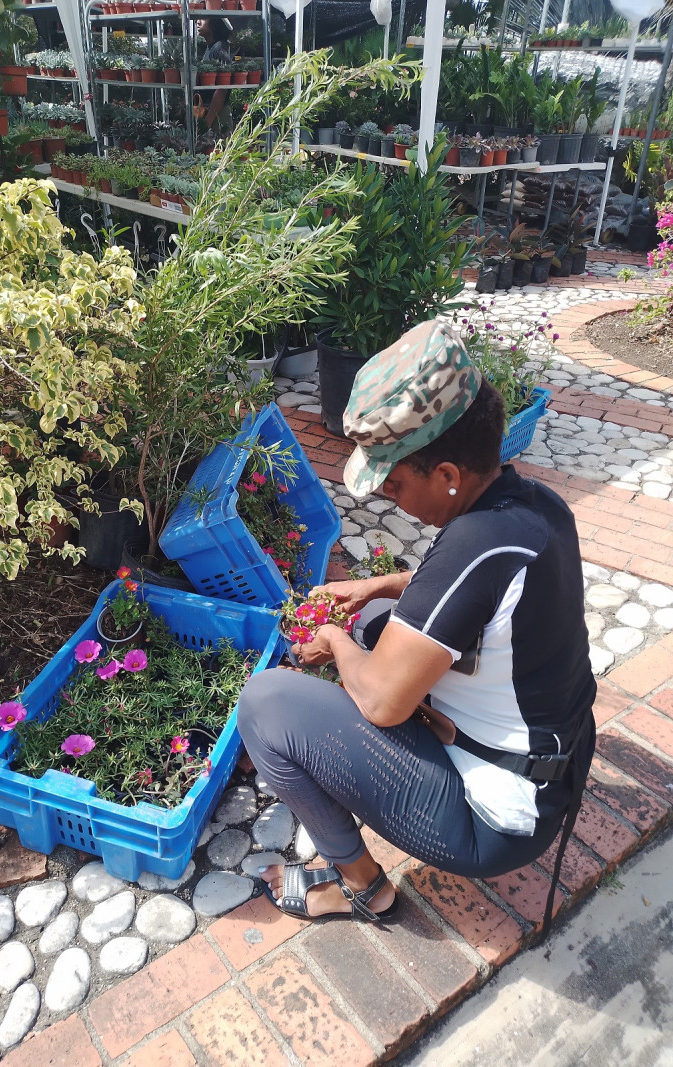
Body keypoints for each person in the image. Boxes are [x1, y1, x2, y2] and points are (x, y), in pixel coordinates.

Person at [237, 320, 597, 927]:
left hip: (496, 822)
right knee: (382, 620)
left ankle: (359, 886)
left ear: (448, 475)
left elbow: (379, 702)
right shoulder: (529, 508)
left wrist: (334, 640)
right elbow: (482, 595)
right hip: (550, 770)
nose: (388, 497)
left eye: (395, 482)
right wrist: (378, 586)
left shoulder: (473, 546)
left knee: (265, 703)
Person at [197, 16, 234, 136]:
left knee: (218, 150)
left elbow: (222, 88)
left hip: (217, 113)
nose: (198, 21)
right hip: (208, 111)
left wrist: (208, 119)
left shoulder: (220, 47)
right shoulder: (210, 48)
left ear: (214, 22)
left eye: (203, 18)